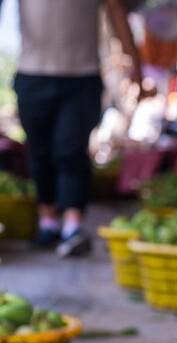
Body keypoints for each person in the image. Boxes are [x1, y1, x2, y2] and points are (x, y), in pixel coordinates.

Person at [11, 0, 143, 256]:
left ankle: (72, 225)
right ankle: (47, 219)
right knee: (39, 150)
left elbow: (115, 10)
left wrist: (135, 64)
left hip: (82, 77)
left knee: (70, 149)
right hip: (32, 73)